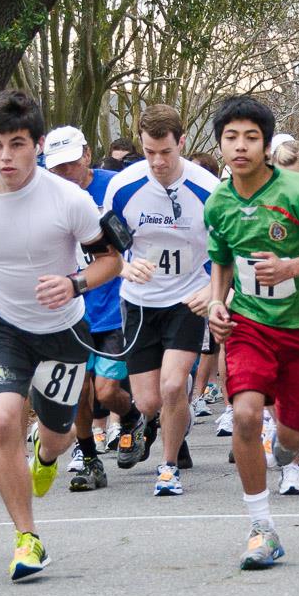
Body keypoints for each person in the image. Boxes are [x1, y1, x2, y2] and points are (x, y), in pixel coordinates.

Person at [0, 91, 122, 581]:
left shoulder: (70, 201)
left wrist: (73, 283)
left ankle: (45, 456)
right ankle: (27, 539)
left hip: (64, 331)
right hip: (2, 326)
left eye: (17, 144)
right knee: (2, 419)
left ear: (38, 145)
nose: (6, 157)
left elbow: (112, 260)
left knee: (58, 434)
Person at [203, 95, 299, 568]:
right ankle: (261, 528)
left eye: (251, 137)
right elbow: (222, 261)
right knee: (247, 415)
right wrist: (215, 301)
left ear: (267, 145)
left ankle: (284, 450)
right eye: (231, 137)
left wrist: (292, 266)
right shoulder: (218, 203)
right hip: (250, 323)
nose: (241, 146)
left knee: (293, 438)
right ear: (221, 145)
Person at [103, 106, 220, 497]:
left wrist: (215, 291)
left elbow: (230, 249)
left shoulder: (207, 188)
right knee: (148, 400)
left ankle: (168, 467)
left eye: (165, 152)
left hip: (188, 299)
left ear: (181, 143)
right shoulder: (124, 186)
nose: (157, 161)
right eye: (150, 151)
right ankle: (159, 416)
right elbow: (102, 247)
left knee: (172, 388)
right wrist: (122, 268)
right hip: (138, 302)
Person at [44, 124, 143, 491]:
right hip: (69, 310)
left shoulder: (113, 188)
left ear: (86, 155)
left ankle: (131, 415)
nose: (64, 173)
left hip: (114, 307)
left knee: (105, 391)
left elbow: (133, 238)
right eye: (56, 167)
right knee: (79, 391)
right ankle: (89, 458)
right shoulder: (45, 197)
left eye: (70, 163)